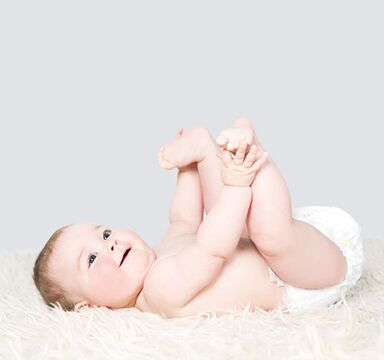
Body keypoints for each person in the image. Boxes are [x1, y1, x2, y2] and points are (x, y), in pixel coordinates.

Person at [33, 118, 363, 317]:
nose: (111, 244)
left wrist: (188, 169)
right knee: (264, 232)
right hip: (304, 280)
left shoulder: (163, 253)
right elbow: (211, 249)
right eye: (91, 258)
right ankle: (249, 154)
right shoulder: (159, 290)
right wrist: (235, 187)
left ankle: (207, 151)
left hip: (301, 254)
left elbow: (183, 220)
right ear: (90, 308)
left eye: (104, 234)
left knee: (242, 224)